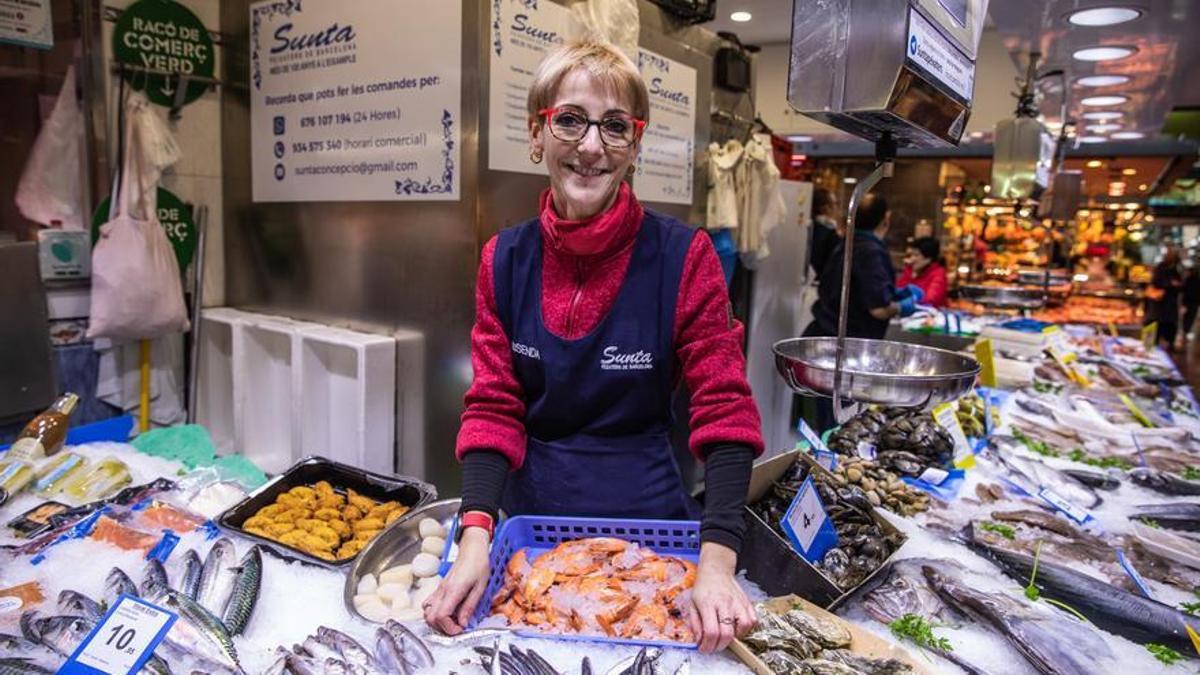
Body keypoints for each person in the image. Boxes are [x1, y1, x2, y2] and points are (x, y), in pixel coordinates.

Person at [424, 41, 763, 653]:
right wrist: (477, 534)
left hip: (653, 533)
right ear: (537, 133)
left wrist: (718, 562)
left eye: (614, 126)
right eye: (570, 120)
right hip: (531, 537)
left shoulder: (684, 258)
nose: (590, 146)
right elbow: (494, 406)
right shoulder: (504, 260)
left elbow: (725, 410)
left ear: (635, 146)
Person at [802, 194, 919, 431]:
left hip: (827, 344)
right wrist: (903, 306)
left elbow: (859, 290)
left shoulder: (845, 242)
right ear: (886, 220)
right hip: (847, 353)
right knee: (840, 426)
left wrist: (893, 292)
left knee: (827, 419)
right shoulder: (870, 251)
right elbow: (878, 309)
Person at [1147, 246, 1183, 351]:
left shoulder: (1176, 268)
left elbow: (1181, 284)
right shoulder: (1161, 267)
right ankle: (1150, 347)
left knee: (1169, 325)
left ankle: (1168, 345)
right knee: (1155, 326)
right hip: (1159, 303)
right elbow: (1156, 282)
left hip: (1170, 304)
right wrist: (1170, 284)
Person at [897, 236, 948, 308]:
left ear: (929, 258)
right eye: (911, 255)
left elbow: (930, 300)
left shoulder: (938, 274)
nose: (912, 259)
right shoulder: (909, 270)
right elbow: (897, 290)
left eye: (916, 255)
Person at [809, 187, 840, 276]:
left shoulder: (806, 228)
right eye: (835, 204)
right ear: (825, 208)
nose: (837, 208)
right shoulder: (830, 234)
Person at [1182, 261, 1200, 345]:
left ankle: (1185, 332)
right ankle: (1186, 332)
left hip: (1189, 302)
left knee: (1187, 318)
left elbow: (1184, 291)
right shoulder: (1196, 280)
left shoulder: (1189, 280)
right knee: (1190, 318)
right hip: (1193, 302)